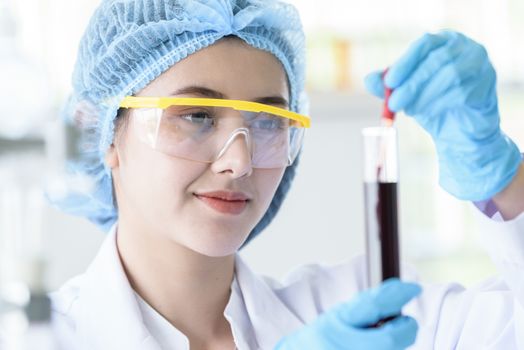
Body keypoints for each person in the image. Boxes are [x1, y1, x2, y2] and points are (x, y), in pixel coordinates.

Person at [47, 0, 524, 349]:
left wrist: (499, 176)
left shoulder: (369, 312)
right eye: (196, 115)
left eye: (268, 122)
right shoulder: (36, 337)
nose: (240, 162)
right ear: (103, 132)